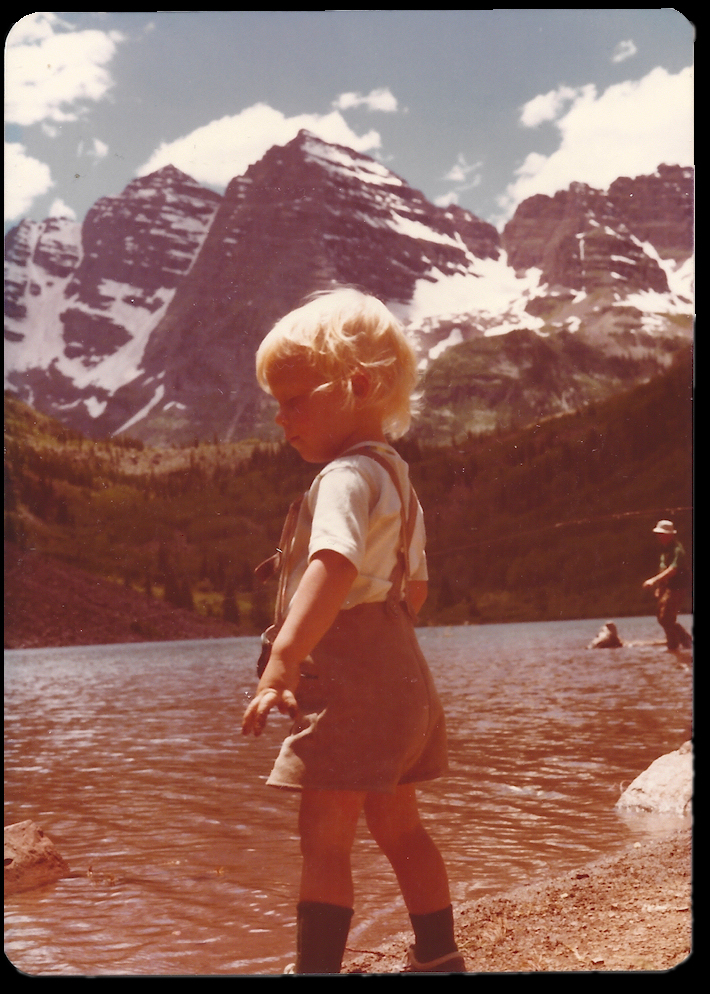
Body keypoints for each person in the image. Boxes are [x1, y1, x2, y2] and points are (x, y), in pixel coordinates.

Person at [241, 288, 465, 975]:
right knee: (401, 828)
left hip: (354, 685)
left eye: (294, 399)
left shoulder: (342, 477)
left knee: (324, 839)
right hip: (406, 682)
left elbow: (333, 564)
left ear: (358, 385)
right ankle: (439, 957)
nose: (281, 421)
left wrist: (285, 657)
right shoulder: (397, 478)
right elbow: (414, 590)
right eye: (275, 405)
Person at [642, 519, 692, 651]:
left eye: (662, 534)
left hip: (677, 588)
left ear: (670, 535)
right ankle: (674, 645)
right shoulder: (665, 550)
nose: (659, 537)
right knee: (661, 617)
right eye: (658, 534)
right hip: (667, 587)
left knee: (666, 618)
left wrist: (654, 581)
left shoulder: (677, 550)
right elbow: (663, 570)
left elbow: (672, 570)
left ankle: (682, 641)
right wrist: (660, 587)